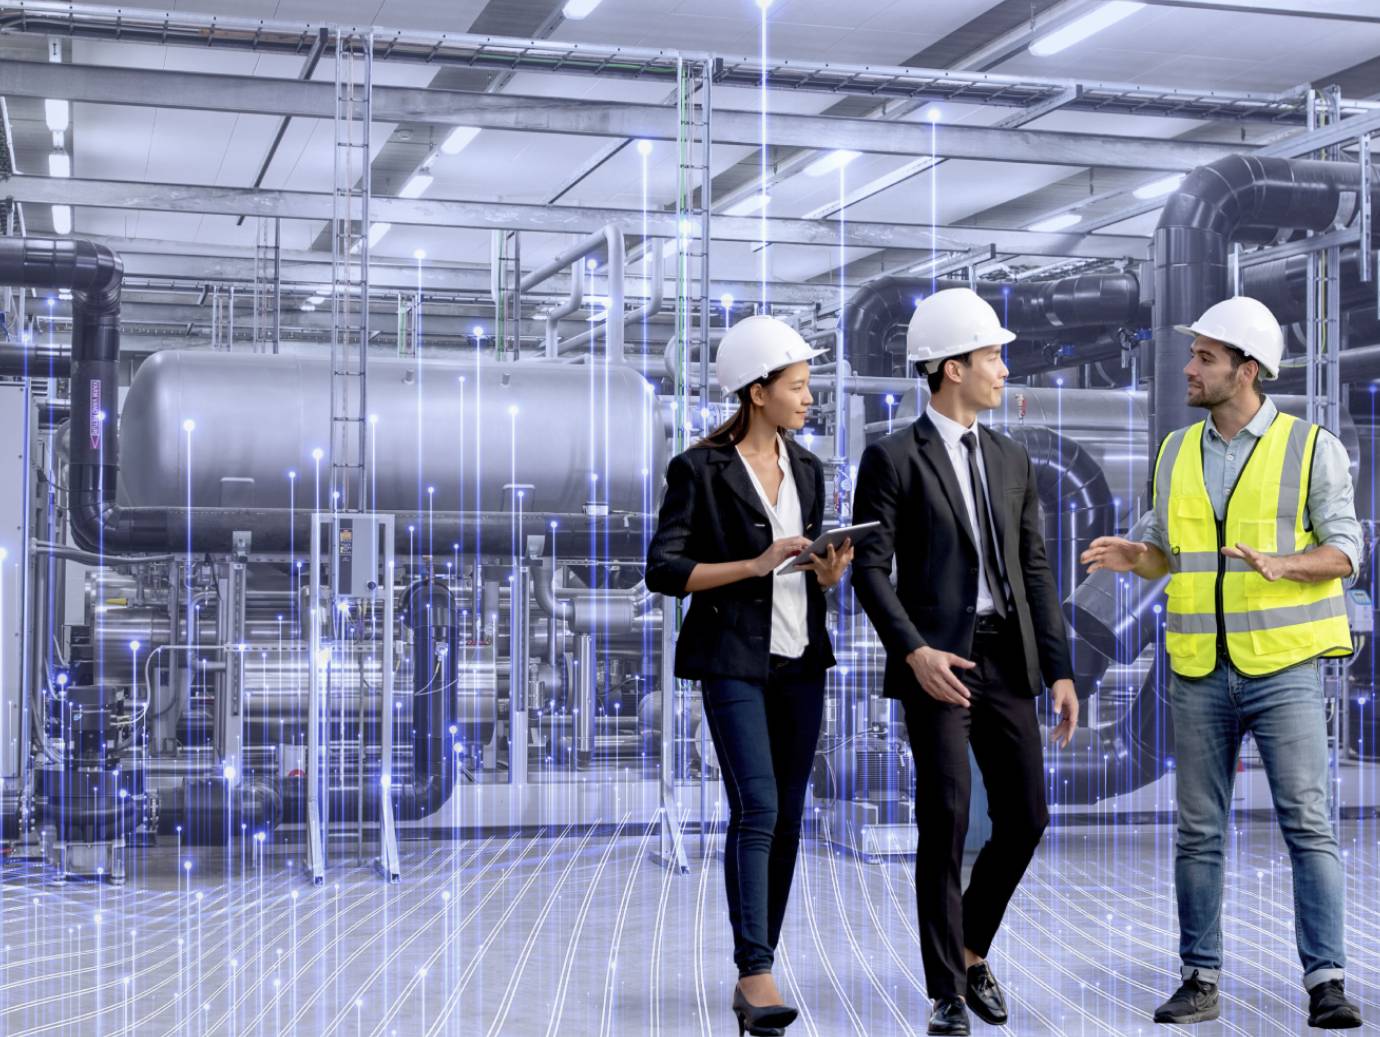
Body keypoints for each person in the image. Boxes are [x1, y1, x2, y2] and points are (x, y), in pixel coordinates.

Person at [1080, 295, 1363, 1029]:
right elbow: (1161, 549)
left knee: (1307, 821)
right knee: (1199, 829)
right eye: (1194, 353)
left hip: (1285, 667)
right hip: (1199, 667)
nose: (1189, 367)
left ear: (1247, 369)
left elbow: (1347, 552)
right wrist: (1131, 556)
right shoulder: (1176, 451)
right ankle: (1199, 978)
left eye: (1205, 356)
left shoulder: (1310, 446)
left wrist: (1284, 563)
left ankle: (1326, 981)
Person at [851, 287, 1079, 1036]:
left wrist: (1060, 670)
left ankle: (971, 948)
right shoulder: (890, 457)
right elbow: (871, 569)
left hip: (1006, 658)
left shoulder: (1012, 456)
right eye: (993, 356)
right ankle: (947, 989)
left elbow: (1036, 570)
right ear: (953, 368)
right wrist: (912, 650)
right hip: (938, 660)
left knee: (1027, 816)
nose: (1004, 369)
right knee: (945, 816)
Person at [646, 315, 852, 1037]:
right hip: (732, 659)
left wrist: (827, 571)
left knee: (790, 814)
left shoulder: (810, 469)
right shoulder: (698, 469)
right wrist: (754, 565)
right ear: (757, 391)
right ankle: (754, 969)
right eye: (797, 387)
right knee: (758, 806)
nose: (808, 399)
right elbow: (664, 570)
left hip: (802, 659)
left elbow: (802, 571)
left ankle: (762, 957)